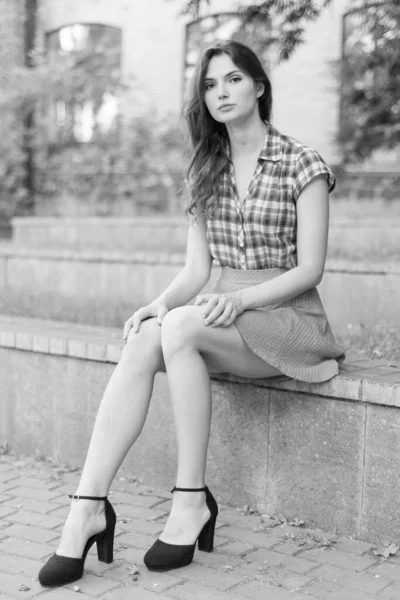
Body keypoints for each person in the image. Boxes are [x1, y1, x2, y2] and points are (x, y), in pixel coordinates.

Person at [38, 39, 345, 587]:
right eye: (209, 84)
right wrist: (156, 304)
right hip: (219, 315)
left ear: (259, 86)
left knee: (180, 324)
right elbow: (195, 272)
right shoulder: (206, 167)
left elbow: (311, 270)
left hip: (289, 319)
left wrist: (240, 299)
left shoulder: (303, 164)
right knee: (150, 333)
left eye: (231, 79)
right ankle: (86, 507)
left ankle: (189, 500)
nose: (220, 92)